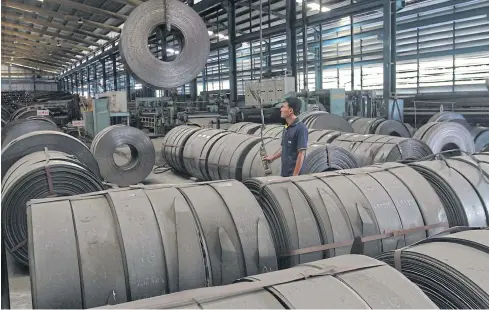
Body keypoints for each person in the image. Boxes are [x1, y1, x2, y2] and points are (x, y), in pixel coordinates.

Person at [264, 97, 308, 177]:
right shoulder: (286, 126)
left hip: (294, 175)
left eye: (283, 107)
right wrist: (273, 157)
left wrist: (295, 175)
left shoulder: (301, 128)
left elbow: (301, 154)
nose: (281, 110)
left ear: (290, 110)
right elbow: (285, 147)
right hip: (285, 172)